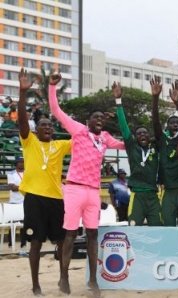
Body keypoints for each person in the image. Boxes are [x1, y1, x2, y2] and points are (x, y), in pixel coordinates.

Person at [48, 73, 125, 296]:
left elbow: (124, 144)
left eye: (102, 118)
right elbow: (57, 111)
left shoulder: (105, 138)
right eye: (95, 118)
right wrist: (53, 87)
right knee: (70, 235)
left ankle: (93, 280)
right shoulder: (78, 130)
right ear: (88, 121)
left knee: (93, 235)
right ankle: (64, 277)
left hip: (93, 192)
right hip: (73, 188)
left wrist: (138, 137)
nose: (100, 120)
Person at [17, 68, 72, 296]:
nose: (48, 128)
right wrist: (22, 93)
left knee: (60, 243)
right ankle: (36, 285)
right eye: (43, 125)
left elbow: (79, 136)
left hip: (56, 199)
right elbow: (21, 120)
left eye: (50, 126)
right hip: (34, 198)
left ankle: (63, 278)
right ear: (36, 129)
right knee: (36, 243)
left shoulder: (60, 146)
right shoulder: (28, 142)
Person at [115, 82, 162, 226]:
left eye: (145, 133)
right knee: (134, 227)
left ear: (149, 137)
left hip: (153, 195)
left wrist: (155, 98)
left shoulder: (155, 147)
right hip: (137, 194)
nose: (142, 135)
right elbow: (123, 127)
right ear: (136, 137)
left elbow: (158, 126)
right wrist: (118, 102)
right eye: (139, 133)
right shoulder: (132, 147)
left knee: (158, 227)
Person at [151, 76, 178, 227]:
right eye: (171, 123)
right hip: (168, 191)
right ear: (167, 126)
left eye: (177, 123)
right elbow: (155, 122)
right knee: (168, 226)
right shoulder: (162, 140)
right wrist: (155, 98)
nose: (175, 124)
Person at [6, 156, 27, 255]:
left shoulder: (28, 173)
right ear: (16, 163)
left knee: (24, 224)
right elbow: (12, 187)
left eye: (23, 162)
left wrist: (19, 187)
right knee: (12, 224)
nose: (22, 163)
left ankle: (23, 243)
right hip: (14, 202)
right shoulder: (11, 173)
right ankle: (11, 243)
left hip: (25, 202)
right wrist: (25, 188)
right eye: (20, 162)